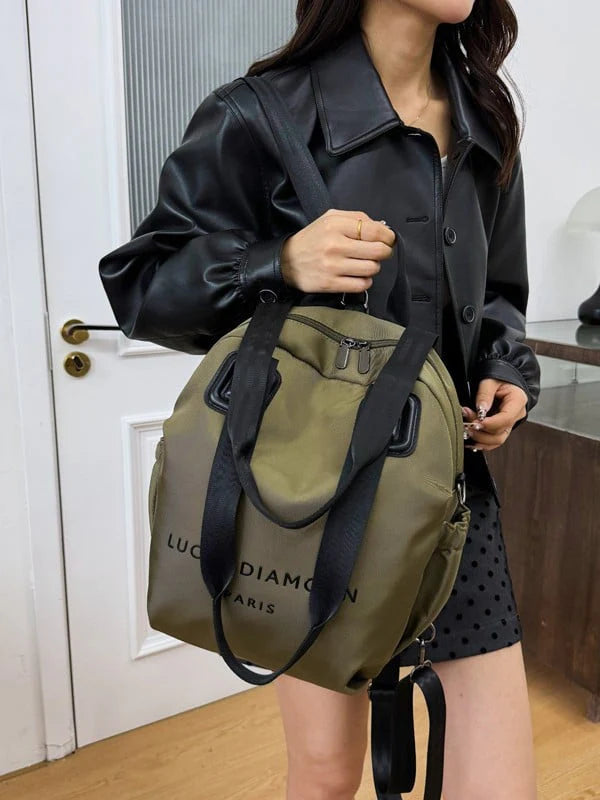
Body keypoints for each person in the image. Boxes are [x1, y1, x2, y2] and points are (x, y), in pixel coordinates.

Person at [99, 1, 541, 797]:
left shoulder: (484, 115)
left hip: (450, 498)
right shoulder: (260, 114)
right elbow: (142, 285)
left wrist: (506, 368)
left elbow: (501, 292)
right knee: (328, 775)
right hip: (311, 497)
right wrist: (276, 262)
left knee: (499, 785)